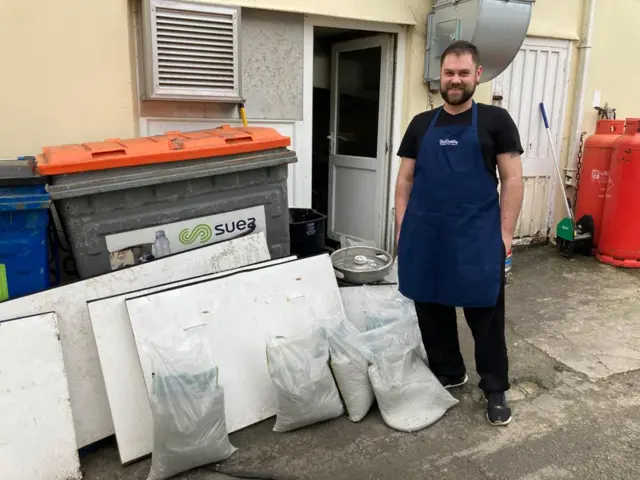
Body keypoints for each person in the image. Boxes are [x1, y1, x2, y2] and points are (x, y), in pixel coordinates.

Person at [395, 40, 524, 426]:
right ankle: (449, 371)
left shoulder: (495, 121)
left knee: (484, 315)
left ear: (478, 75)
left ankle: (495, 387)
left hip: (476, 238)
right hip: (425, 236)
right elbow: (404, 179)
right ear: (440, 75)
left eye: (463, 73)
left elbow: (513, 179)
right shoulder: (421, 123)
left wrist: (505, 234)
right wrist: (403, 228)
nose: (455, 80)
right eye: (449, 72)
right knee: (430, 308)